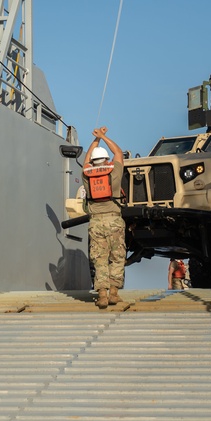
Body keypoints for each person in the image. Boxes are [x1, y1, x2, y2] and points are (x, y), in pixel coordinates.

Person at [83, 127, 126, 308]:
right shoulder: (114, 173)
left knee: (99, 259)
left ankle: (101, 294)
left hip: (95, 222)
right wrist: (103, 136)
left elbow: (86, 159)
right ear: (107, 160)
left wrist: (95, 141)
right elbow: (119, 153)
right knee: (117, 257)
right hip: (114, 220)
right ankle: (114, 293)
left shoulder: (86, 175)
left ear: (93, 162)